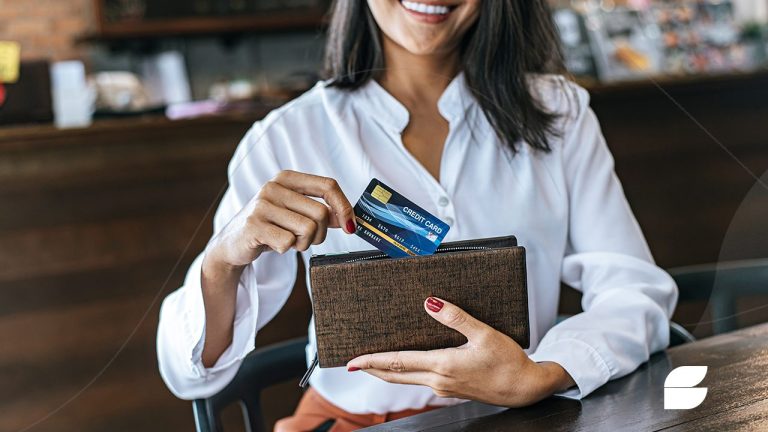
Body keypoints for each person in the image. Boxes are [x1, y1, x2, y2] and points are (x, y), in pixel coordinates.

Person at [156, 0, 678, 430]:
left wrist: (543, 374)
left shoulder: (560, 112)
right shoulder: (287, 136)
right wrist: (221, 262)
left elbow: (634, 291)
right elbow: (191, 374)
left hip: (526, 415)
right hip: (358, 423)